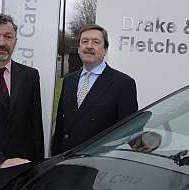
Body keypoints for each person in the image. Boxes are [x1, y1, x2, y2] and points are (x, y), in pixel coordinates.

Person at [51, 24, 138, 156]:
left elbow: (129, 133)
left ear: (105, 50)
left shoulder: (123, 84)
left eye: (96, 42)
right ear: (79, 48)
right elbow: (61, 127)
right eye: (84, 41)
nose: (89, 46)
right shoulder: (69, 80)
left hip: (99, 166)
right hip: (65, 161)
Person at [0, 12, 44, 173]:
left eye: (8, 36)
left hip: (24, 170)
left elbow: (35, 127)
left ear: (15, 41)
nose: (2, 42)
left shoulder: (30, 76)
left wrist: (38, 166)